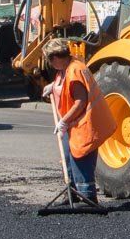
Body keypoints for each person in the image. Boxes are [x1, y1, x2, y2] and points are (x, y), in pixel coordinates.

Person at [42, 38, 115, 203]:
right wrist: (52, 86)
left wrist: (64, 122)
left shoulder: (75, 70)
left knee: (80, 158)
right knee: (67, 156)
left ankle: (87, 196)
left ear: (56, 57)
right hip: (74, 123)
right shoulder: (67, 66)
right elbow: (62, 80)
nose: (50, 64)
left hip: (85, 123)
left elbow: (80, 102)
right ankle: (72, 193)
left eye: (50, 60)